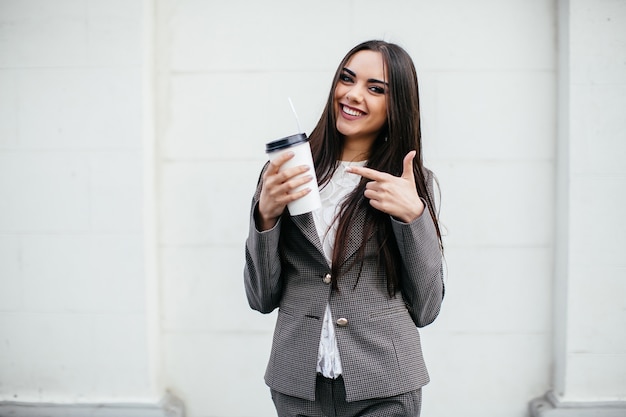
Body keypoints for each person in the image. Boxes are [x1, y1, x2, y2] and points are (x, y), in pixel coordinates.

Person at [244, 40, 444, 417]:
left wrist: (412, 218)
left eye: (375, 88)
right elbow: (260, 297)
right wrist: (265, 217)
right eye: (346, 79)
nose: (352, 94)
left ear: (396, 105)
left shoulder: (408, 184)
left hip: (386, 382)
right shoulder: (283, 176)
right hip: (297, 384)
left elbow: (427, 308)